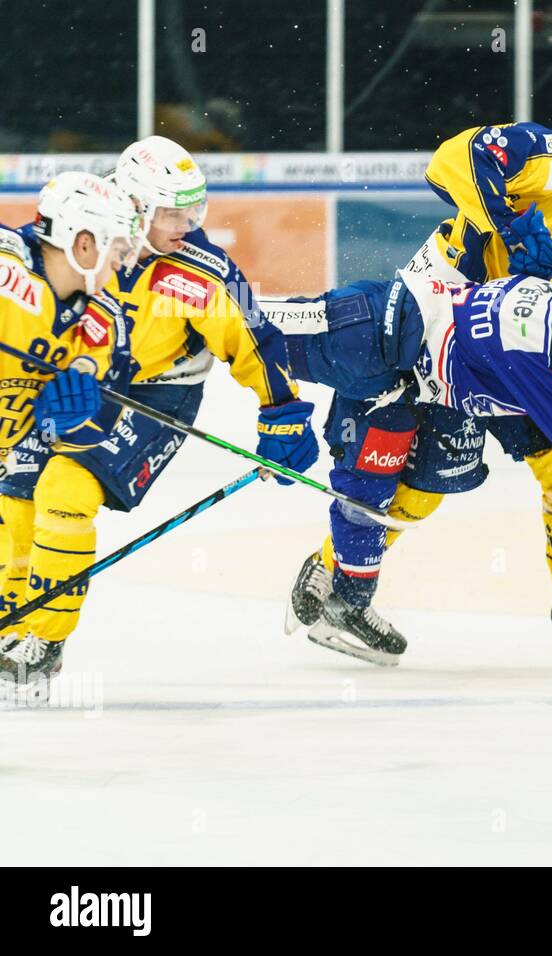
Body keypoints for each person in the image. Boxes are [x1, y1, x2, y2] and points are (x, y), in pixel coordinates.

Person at [294, 80, 552, 652]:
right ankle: (334, 572)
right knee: (423, 482)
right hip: (438, 333)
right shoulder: (544, 153)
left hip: (514, 354)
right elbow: (450, 161)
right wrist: (507, 224)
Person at [272, 252, 552, 666]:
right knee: (404, 497)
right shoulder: (540, 350)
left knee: (551, 478)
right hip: (409, 359)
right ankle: (334, 575)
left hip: (479, 383)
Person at [0, 137, 318, 681]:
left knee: (65, 492)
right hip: (83, 381)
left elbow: (257, 338)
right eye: (174, 211)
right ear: (134, 206)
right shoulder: (86, 234)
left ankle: (43, 640)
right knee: (17, 491)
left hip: (159, 394)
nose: (187, 223)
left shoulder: (205, 272)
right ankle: (12, 618)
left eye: (196, 209)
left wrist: (282, 411)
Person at [0, 172, 141, 683]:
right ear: (84, 243)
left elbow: (98, 425)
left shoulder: (105, 321)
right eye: (118, 247)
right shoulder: (8, 270)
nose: (125, 262)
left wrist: (76, 420)